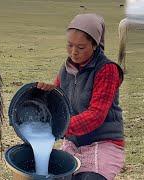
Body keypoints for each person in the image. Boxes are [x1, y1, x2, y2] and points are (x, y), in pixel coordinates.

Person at [36, 14, 125, 180]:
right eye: (69, 45)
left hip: (103, 143)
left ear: (95, 44)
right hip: (74, 143)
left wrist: (60, 126)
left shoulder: (107, 70)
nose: (74, 52)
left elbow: (96, 116)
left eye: (81, 47)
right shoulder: (66, 69)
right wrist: (49, 91)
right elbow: (59, 100)